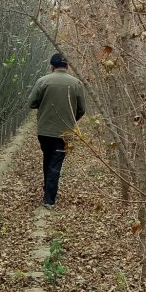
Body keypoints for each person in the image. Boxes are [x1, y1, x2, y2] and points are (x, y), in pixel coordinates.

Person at [28, 52, 86, 208]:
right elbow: (82, 109)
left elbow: (31, 103)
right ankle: (49, 199)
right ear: (67, 66)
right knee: (55, 164)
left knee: (47, 159)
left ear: (52, 67)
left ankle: (48, 191)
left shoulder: (43, 81)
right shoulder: (76, 83)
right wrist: (70, 120)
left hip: (44, 130)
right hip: (65, 132)